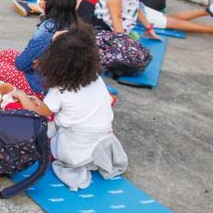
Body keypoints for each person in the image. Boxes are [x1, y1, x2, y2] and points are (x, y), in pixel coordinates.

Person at [12, 26, 128, 191]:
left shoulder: (60, 88)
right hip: (101, 138)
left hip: (73, 148)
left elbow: (37, 113)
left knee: (21, 115)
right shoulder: (95, 78)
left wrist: (21, 95)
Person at [0, 0, 82, 97]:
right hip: (58, 79)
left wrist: (37, 61)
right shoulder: (75, 23)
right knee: (4, 54)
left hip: (41, 84)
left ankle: (35, 94)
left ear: (49, 3)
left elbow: (21, 64)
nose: (40, 0)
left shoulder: (48, 28)